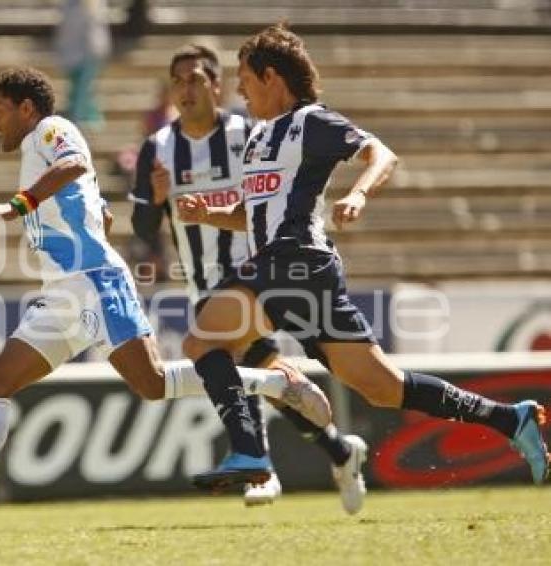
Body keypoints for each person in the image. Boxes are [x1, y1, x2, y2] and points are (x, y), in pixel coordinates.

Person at [0, 67, 332, 530]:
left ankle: (277, 384)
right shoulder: (35, 147)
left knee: (151, 384)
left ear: (26, 108)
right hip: (62, 293)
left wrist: (17, 206)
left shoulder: (51, 128)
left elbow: (75, 165)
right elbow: (95, 207)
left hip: (94, 282)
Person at [176, 24, 550, 490]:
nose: (240, 90)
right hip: (297, 269)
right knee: (383, 388)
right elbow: (252, 214)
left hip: (295, 261)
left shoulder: (313, 122)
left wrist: (357, 194)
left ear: (271, 77)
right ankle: (509, 419)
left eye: (245, 78)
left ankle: (253, 440)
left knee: (203, 342)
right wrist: (209, 213)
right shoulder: (258, 139)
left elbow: (382, 155)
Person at [131, 44, 367, 513]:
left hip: (256, 272)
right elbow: (141, 229)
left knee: (236, 360)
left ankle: (262, 465)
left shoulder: (250, 132)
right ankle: (338, 450)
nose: (186, 89)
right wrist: (156, 200)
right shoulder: (158, 148)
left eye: (196, 78)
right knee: (253, 368)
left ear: (216, 85)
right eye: (177, 81)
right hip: (201, 281)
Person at [54, 0, 111, 128]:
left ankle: (80, 121)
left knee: (84, 90)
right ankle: (78, 121)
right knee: (77, 91)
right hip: (73, 54)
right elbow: (65, 31)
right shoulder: (68, 5)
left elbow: (97, 30)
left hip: (89, 55)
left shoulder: (94, 4)